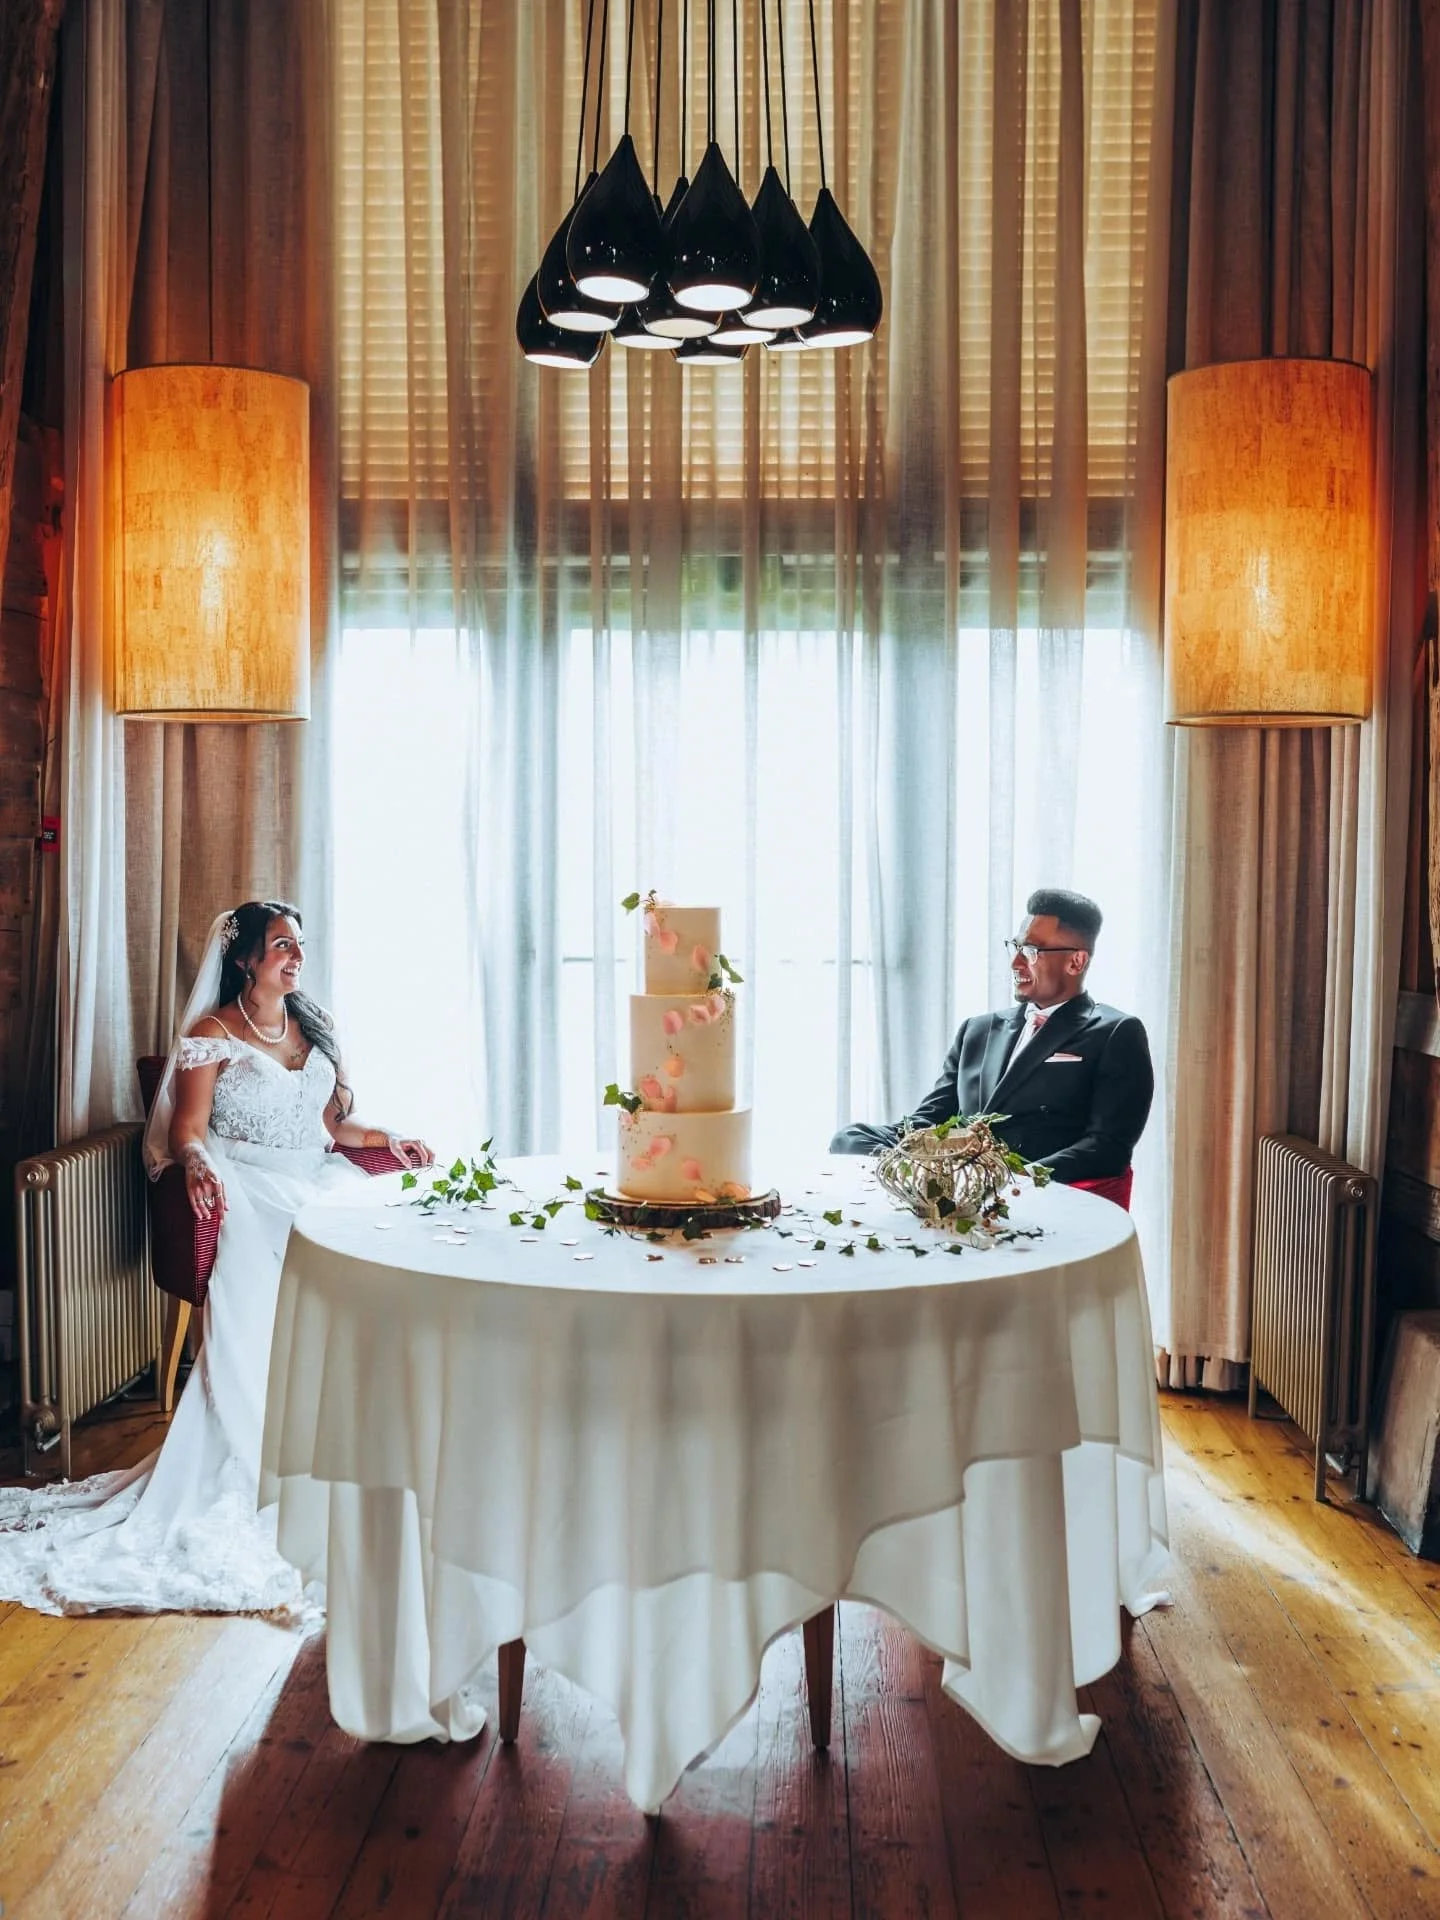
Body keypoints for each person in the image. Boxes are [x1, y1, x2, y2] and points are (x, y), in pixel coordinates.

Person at [0, 900, 435, 1616]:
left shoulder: (310, 1024)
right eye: (281, 947)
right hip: (248, 1179)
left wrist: (388, 1135)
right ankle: (272, 1436)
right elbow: (189, 1129)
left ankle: (371, 1423)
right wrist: (198, 1165)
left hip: (311, 1172)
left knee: (382, 1237)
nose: (296, 958)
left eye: (300, 946)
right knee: (293, 1241)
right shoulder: (212, 1034)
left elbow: (331, 1125)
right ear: (244, 960)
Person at [831, 888, 1153, 1183]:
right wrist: (882, 1148)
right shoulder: (978, 1030)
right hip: (958, 1186)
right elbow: (928, 1121)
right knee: (848, 1141)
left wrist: (1013, 1179)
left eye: (1030, 951)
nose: (1015, 962)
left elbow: (1106, 1148)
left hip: (1030, 1199)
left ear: (1076, 961)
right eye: (1015, 946)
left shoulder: (1116, 1033)